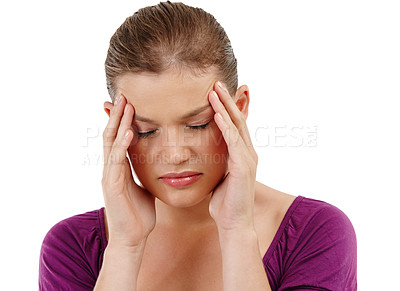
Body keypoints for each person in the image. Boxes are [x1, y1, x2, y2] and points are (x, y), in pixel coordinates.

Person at [38, 1, 357, 290]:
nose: (175, 154)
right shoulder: (71, 247)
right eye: (146, 130)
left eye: (198, 124)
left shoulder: (318, 233)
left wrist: (236, 232)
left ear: (239, 107)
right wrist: (125, 246)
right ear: (115, 124)